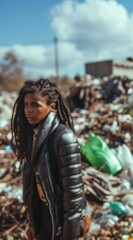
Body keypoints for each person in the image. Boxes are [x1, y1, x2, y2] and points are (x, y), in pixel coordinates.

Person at [11, 79, 90, 239]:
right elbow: (32, 185)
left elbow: (73, 192)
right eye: (26, 105)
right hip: (44, 212)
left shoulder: (63, 137)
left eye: (35, 105)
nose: (28, 110)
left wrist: (70, 232)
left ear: (52, 106)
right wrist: (33, 222)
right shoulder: (33, 136)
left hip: (62, 215)